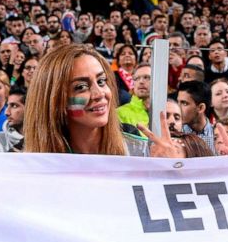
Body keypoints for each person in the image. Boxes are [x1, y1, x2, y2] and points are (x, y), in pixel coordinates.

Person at [23, 43, 178, 157]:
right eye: (81, 87)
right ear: (55, 100)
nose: (99, 94)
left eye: (102, 81)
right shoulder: (29, 161)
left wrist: (172, 168)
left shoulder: (139, 152)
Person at [176, 79, 215, 154]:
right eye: (178, 102)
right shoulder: (176, 134)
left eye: (184, 103)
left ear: (201, 108)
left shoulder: (217, 135)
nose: (177, 108)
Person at [0, 84, 25, 152]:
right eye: (7, 105)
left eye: (14, 106)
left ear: (30, 109)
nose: (6, 112)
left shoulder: (44, 140)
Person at [116, 62, 151, 129]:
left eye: (147, 77)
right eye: (136, 78)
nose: (141, 81)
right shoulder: (119, 113)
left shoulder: (168, 112)